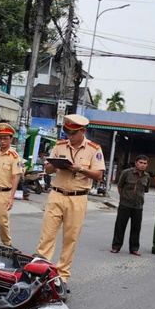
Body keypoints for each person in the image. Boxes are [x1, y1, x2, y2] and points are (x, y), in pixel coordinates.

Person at [36, 115, 105, 288]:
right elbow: (48, 169)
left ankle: (62, 277)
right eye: (67, 133)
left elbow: (99, 174)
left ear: (83, 131)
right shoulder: (60, 145)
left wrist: (80, 169)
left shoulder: (94, 149)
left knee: (70, 238)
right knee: (47, 235)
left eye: (73, 133)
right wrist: (54, 164)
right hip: (56, 194)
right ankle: (40, 272)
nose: (70, 136)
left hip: (78, 197)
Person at [111, 155, 151, 256]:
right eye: (140, 162)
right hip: (125, 204)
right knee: (120, 226)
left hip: (138, 206)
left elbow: (145, 190)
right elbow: (120, 186)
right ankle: (116, 246)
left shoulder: (147, 176)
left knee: (136, 228)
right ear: (136, 163)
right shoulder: (126, 173)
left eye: (145, 163)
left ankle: (134, 248)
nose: (142, 165)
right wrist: (124, 197)